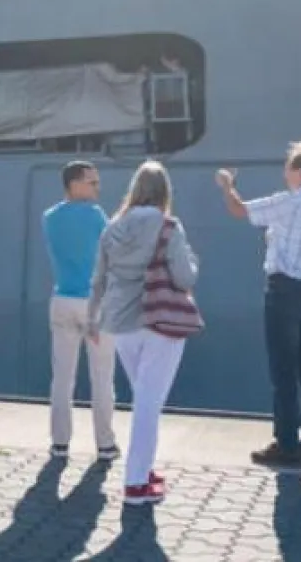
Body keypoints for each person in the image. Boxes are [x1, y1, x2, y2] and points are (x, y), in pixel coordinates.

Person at [215, 141, 301, 469]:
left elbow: (240, 210)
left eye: (288, 167)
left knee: (283, 370)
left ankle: (286, 445)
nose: (285, 173)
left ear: (299, 172)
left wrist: (227, 185)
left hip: (284, 290)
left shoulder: (290, 203)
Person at [88, 161, 198, 506]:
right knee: (149, 402)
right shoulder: (169, 226)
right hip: (159, 321)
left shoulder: (112, 227)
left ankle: (144, 468)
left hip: (121, 323)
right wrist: (193, 260)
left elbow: (99, 278)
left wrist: (93, 319)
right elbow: (184, 278)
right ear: (164, 191)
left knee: (144, 399)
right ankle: (136, 484)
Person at [41, 161, 118, 461]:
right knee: (102, 377)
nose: (98, 187)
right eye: (92, 182)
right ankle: (105, 445)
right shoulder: (96, 215)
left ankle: (60, 444)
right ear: (74, 184)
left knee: (62, 377)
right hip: (94, 304)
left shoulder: (49, 217)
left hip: (61, 300)